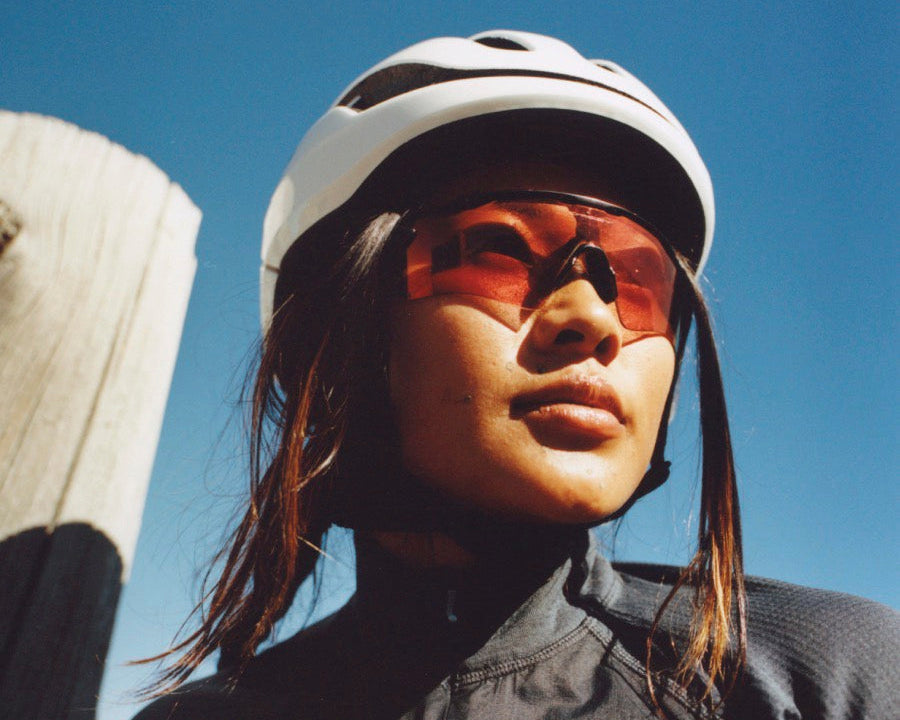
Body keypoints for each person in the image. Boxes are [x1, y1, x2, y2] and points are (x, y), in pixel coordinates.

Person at [135, 31, 899, 719]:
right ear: (342, 334)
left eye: (639, 281)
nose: (593, 320)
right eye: (497, 251)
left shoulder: (826, 680)